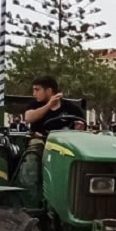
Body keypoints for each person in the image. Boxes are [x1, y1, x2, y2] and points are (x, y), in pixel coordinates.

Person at [19, 75, 85, 206]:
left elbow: (82, 125)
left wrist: (80, 127)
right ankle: (30, 200)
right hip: (42, 141)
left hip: (68, 143)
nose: (34, 93)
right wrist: (49, 105)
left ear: (49, 91)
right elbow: (29, 118)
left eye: (37, 90)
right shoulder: (35, 105)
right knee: (31, 158)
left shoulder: (71, 108)